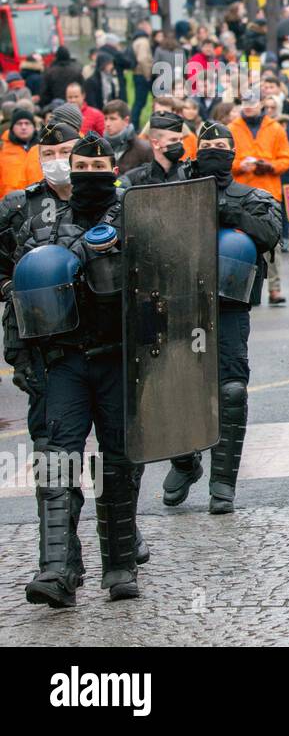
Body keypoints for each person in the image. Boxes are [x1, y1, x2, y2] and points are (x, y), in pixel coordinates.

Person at [12, 133, 139, 605]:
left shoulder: (136, 218)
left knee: (117, 462)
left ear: (114, 167)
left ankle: (120, 564)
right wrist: (22, 360)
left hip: (118, 356)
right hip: (64, 360)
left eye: (97, 166)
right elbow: (20, 300)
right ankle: (57, 569)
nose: (88, 175)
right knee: (55, 460)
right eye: (79, 166)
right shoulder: (45, 228)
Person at [159, 121, 282, 512]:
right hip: (180, 302)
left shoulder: (250, 196)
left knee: (230, 390)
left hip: (229, 305)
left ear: (232, 151)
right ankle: (184, 461)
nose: (214, 150)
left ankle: (223, 484)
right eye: (207, 144)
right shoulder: (177, 189)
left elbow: (270, 233)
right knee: (176, 388)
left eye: (221, 145)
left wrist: (224, 209)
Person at [230, 89, 289, 305]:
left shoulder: (275, 128)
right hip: (241, 193)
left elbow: (286, 159)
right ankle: (244, 289)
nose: (248, 106)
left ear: (261, 104)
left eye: (252, 102)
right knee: (242, 242)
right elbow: (226, 160)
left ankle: (274, 289)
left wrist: (269, 166)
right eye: (244, 102)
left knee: (272, 244)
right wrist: (240, 166)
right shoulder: (232, 129)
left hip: (268, 194)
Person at [122, 111, 191, 188]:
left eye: (181, 139)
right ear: (156, 144)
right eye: (173, 140)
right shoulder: (133, 177)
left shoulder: (191, 174)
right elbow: (116, 185)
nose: (180, 144)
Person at [101, 100, 152, 173]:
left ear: (126, 121)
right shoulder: (99, 149)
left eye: (112, 119)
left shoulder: (144, 150)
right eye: (105, 119)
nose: (107, 124)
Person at [1, 107, 40, 197]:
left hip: (37, 201)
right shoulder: (2, 149)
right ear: (12, 128)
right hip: (8, 202)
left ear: (34, 127)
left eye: (27, 123)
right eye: (19, 124)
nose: (23, 127)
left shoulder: (43, 149)